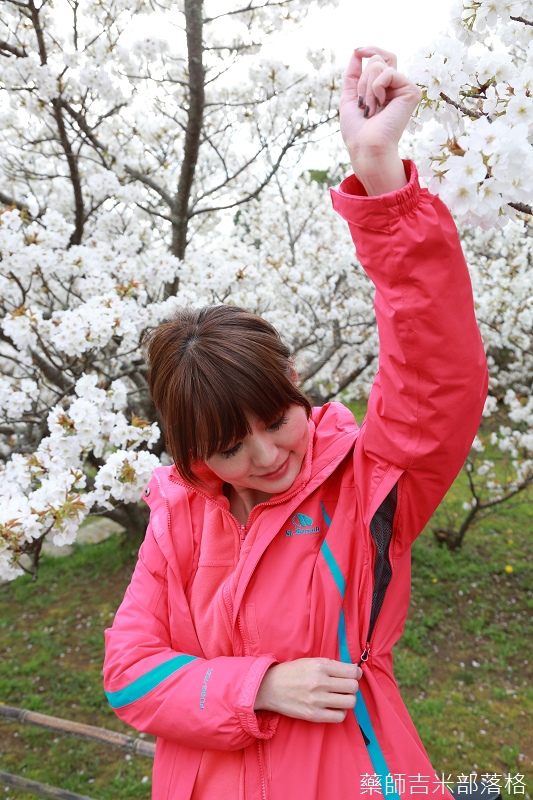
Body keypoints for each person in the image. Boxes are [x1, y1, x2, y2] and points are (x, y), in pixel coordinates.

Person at [103, 47, 488, 800]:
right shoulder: (178, 517)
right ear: (191, 452)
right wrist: (259, 686)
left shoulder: (369, 487)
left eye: (276, 421)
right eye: (227, 446)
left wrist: (378, 175)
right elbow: (129, 672)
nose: (266, 455)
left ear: (295, 385)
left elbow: (438, 374)